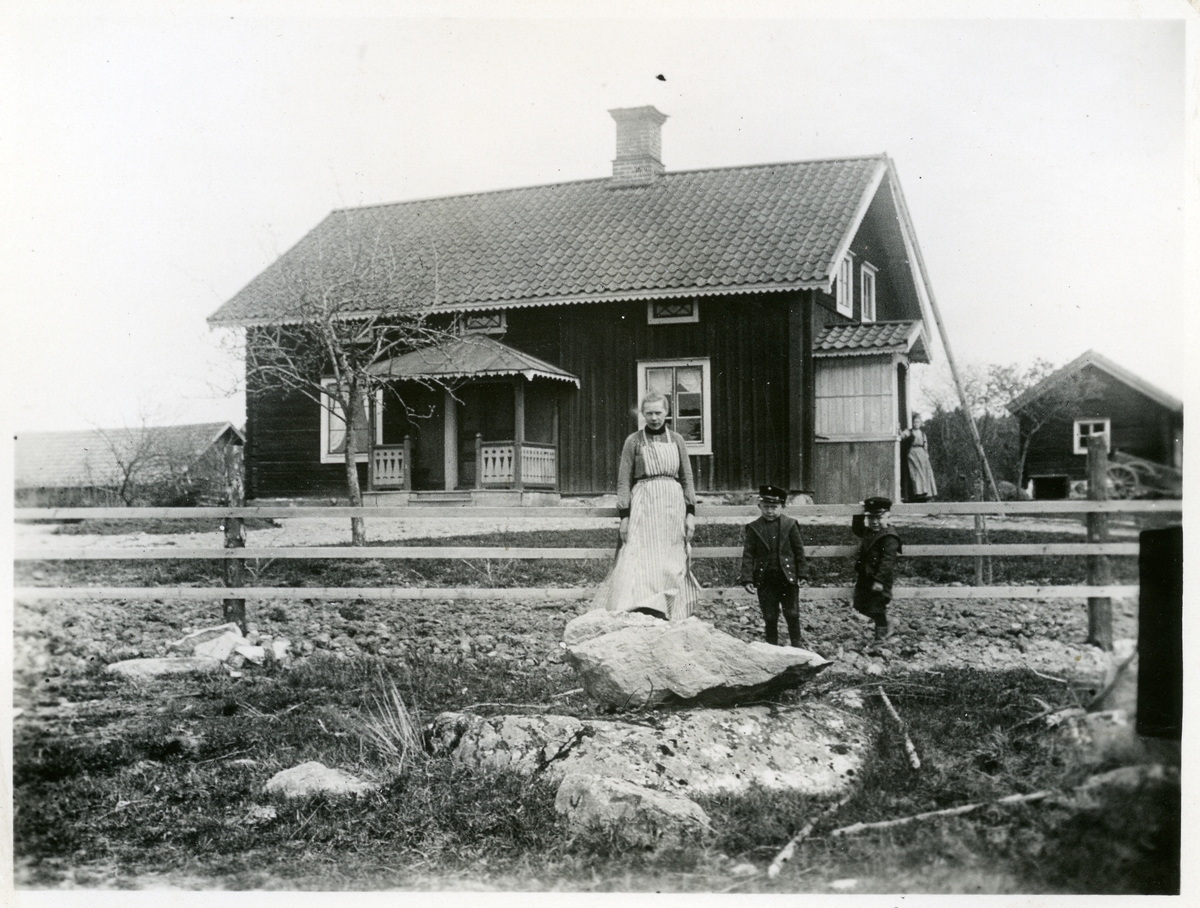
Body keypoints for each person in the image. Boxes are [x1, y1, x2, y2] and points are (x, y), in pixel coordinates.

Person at [593, 392, 700, 620]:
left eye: (658, 413)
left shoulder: (677, 440)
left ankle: (669, 611)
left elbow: (687, 478)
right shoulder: (633, 441)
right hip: (644, 504)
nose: (654, 418)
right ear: (642, 414)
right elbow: (624, 480)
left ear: (667, 413)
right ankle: (638, 608)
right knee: (639, 556)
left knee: (669, 559)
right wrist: (624, 516)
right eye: (649, 413)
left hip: (672, 507)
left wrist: (690, 513)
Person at [740, 485, 809, 647]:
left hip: (788, 578)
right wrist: (747, 578)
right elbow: (748, 555)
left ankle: (797, 643)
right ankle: (771, 645)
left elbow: (799, 551)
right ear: (759, 506)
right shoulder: (754, 528)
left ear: (783, 506)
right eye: (766, 507)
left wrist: (802, 574)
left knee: (792, 613)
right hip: (765, 580)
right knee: (770, 615)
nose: (770, 511)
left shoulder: (790, 525)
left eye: (774, 507)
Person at [851, 496, 903, 641]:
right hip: (865, 577)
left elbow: (888, 561)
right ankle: (887, 622)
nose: (874, 521)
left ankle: (881, 636)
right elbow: (857, 529)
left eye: (878, 517)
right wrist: (859, 512)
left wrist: (879, 581)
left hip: (879, 579)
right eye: (871, 517)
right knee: (859, 604)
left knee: (876, 607)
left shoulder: (890, 538)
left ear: (888, 517)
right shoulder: (870, 532)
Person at [899, 414, 937, 502]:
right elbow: (902, 436)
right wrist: (899, 430)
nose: (916, 424)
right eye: (914, 422)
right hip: (912, 453)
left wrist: (926, 454)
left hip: (922, 453)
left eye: (918, 422)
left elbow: (925, 444)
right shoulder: (909, 431)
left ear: (920, 423)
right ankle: (918, 493)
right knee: (916, 472)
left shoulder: (923, 433)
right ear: (912, 423)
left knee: (926, 472)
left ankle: (926, 493)